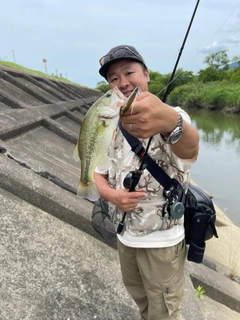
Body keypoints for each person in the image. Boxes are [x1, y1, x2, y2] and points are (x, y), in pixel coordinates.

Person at [94, 45, 199, 320]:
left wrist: (170, 121)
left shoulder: (174, 114)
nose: (123, 82)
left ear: (146, 75)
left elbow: (191, 150)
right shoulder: (111, 123)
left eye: (129, 72)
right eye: (114, 79)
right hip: (125, 237)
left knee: (164, 311)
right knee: (140, 298)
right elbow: (98, 174)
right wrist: (113, 197)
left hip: (161, 244)